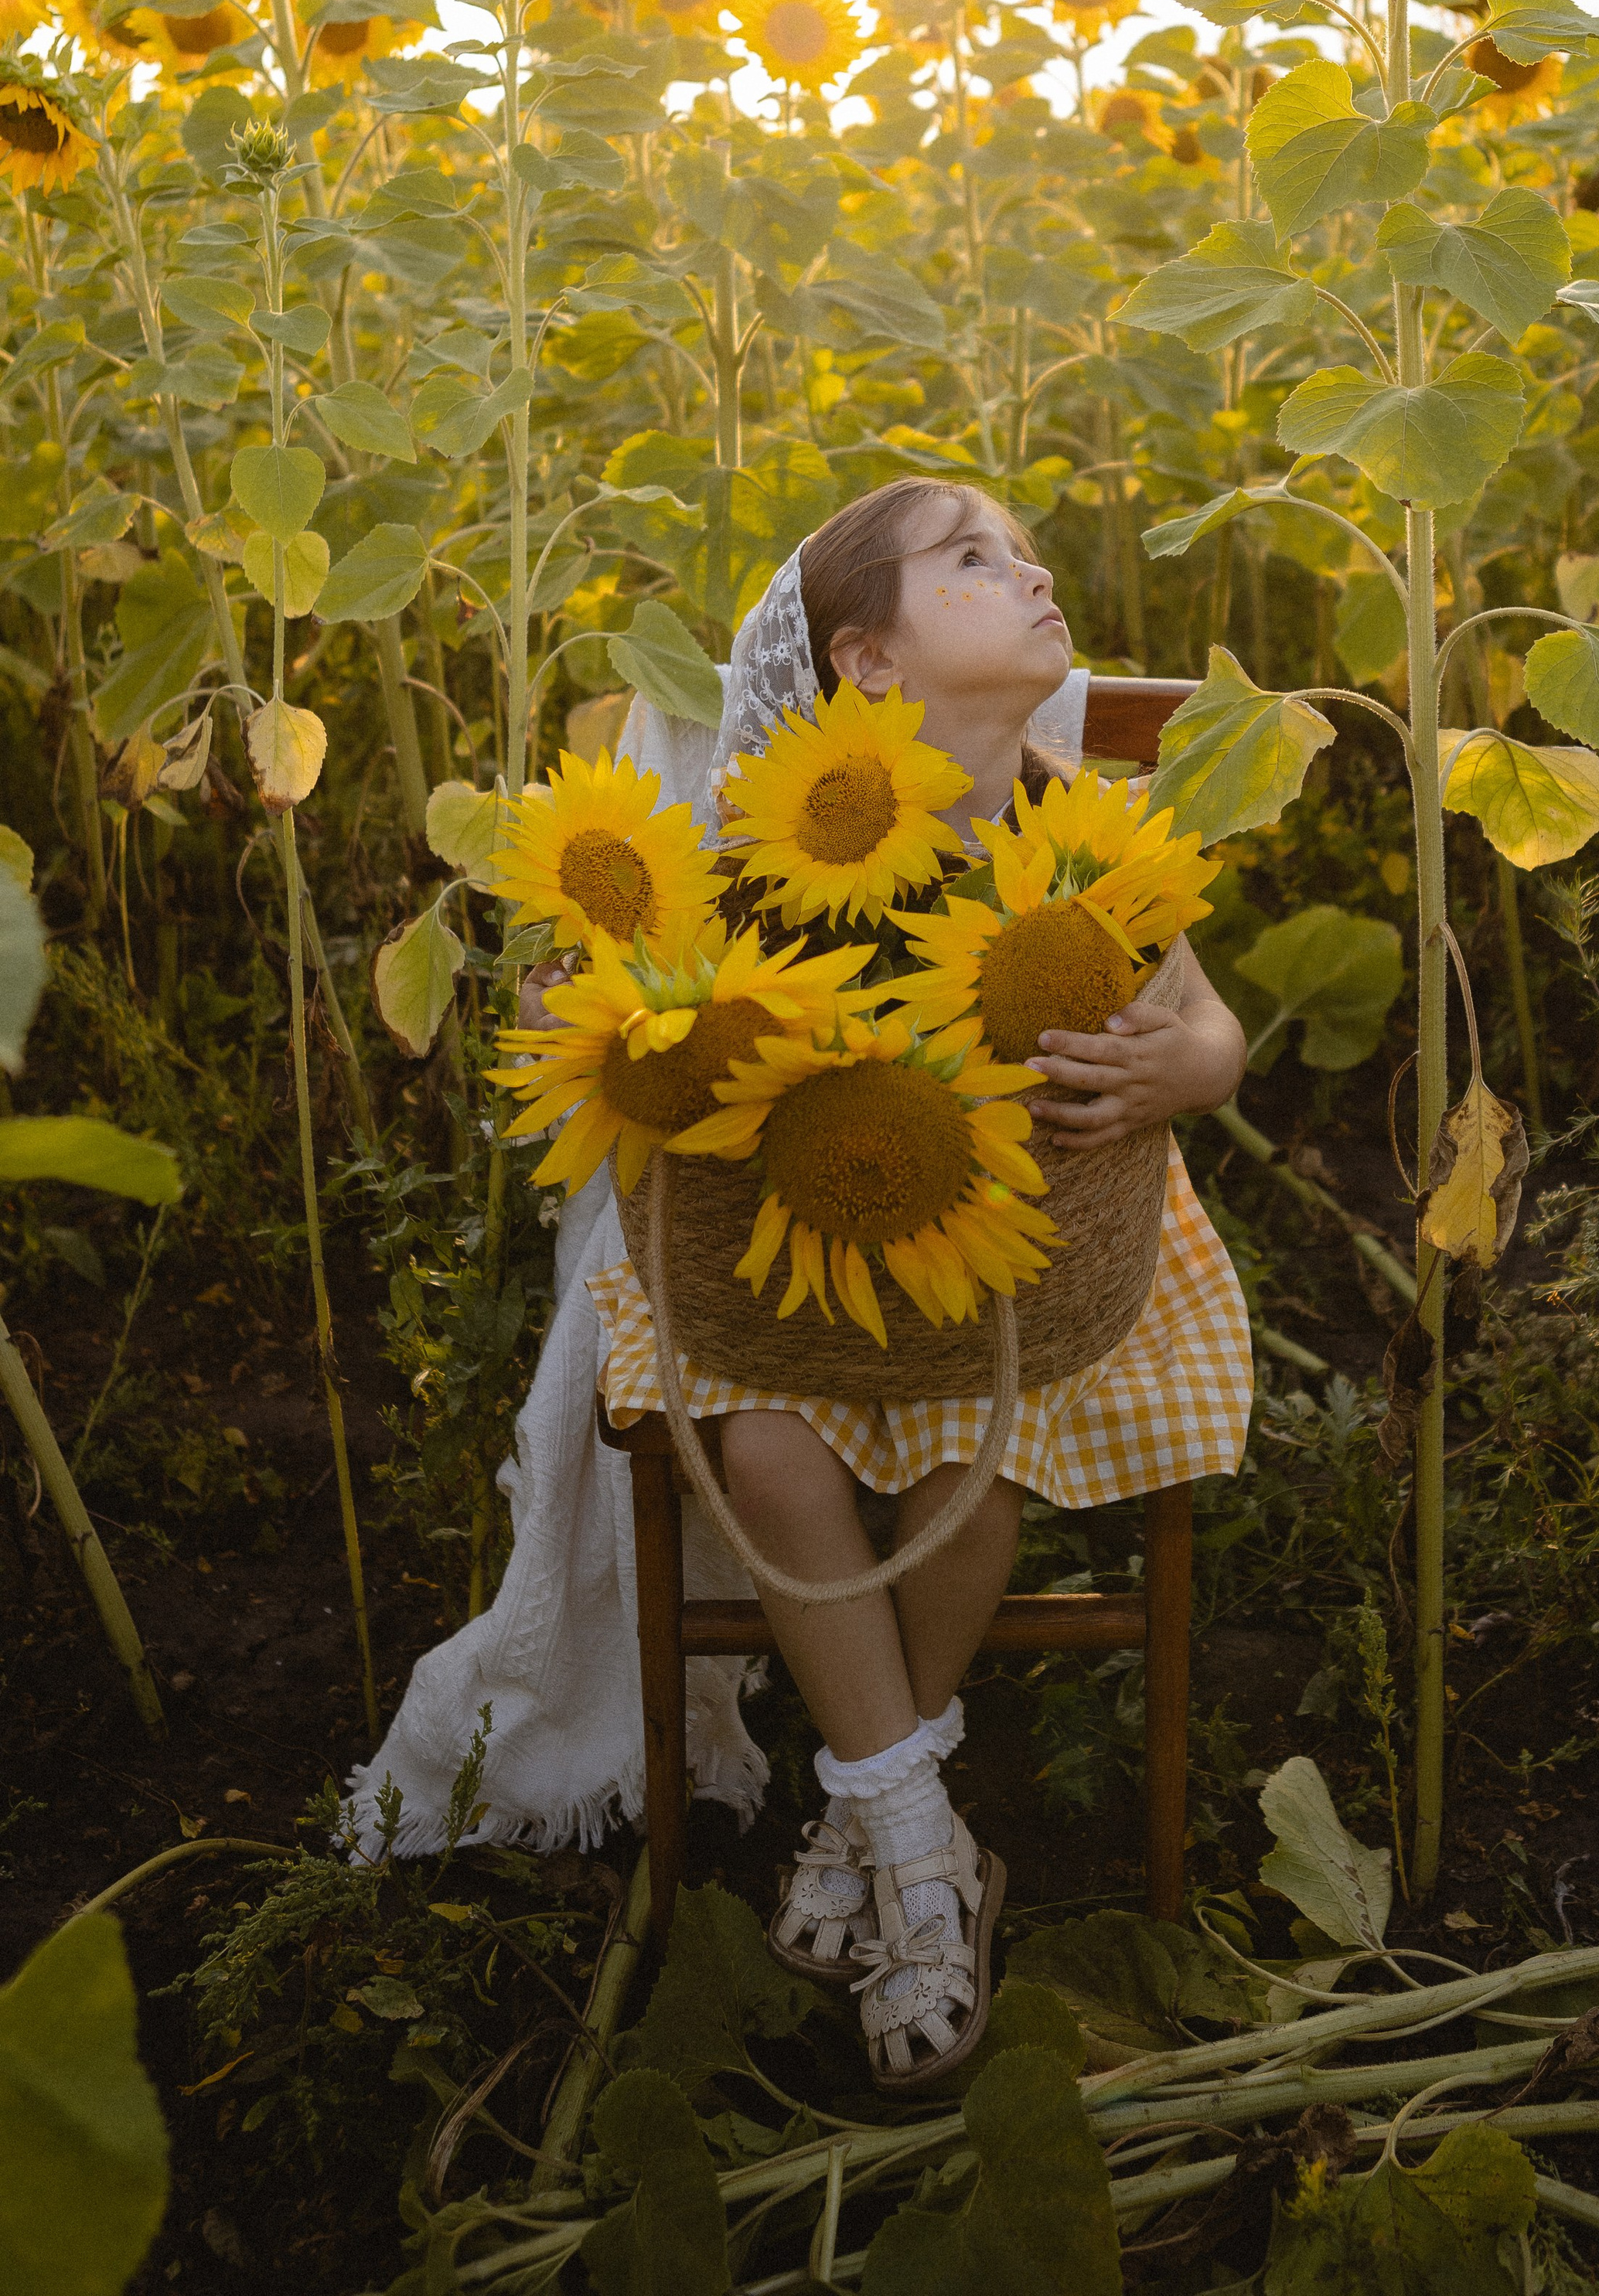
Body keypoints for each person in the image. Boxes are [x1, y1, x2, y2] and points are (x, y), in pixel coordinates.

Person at [352, 478, 1253, 2093]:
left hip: (1020, 1297)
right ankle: (913, 1832)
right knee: (764, 1446)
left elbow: (1212, 1028)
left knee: (970, 1480)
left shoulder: (1079, 826)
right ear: (870, 662)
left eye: (1020, 551)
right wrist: (612, 995)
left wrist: (1169, 1074)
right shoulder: (786, 839)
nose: (1028, 567)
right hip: (798, 1284)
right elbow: (644, 1004)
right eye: (970, 559)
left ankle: (870, 1817)